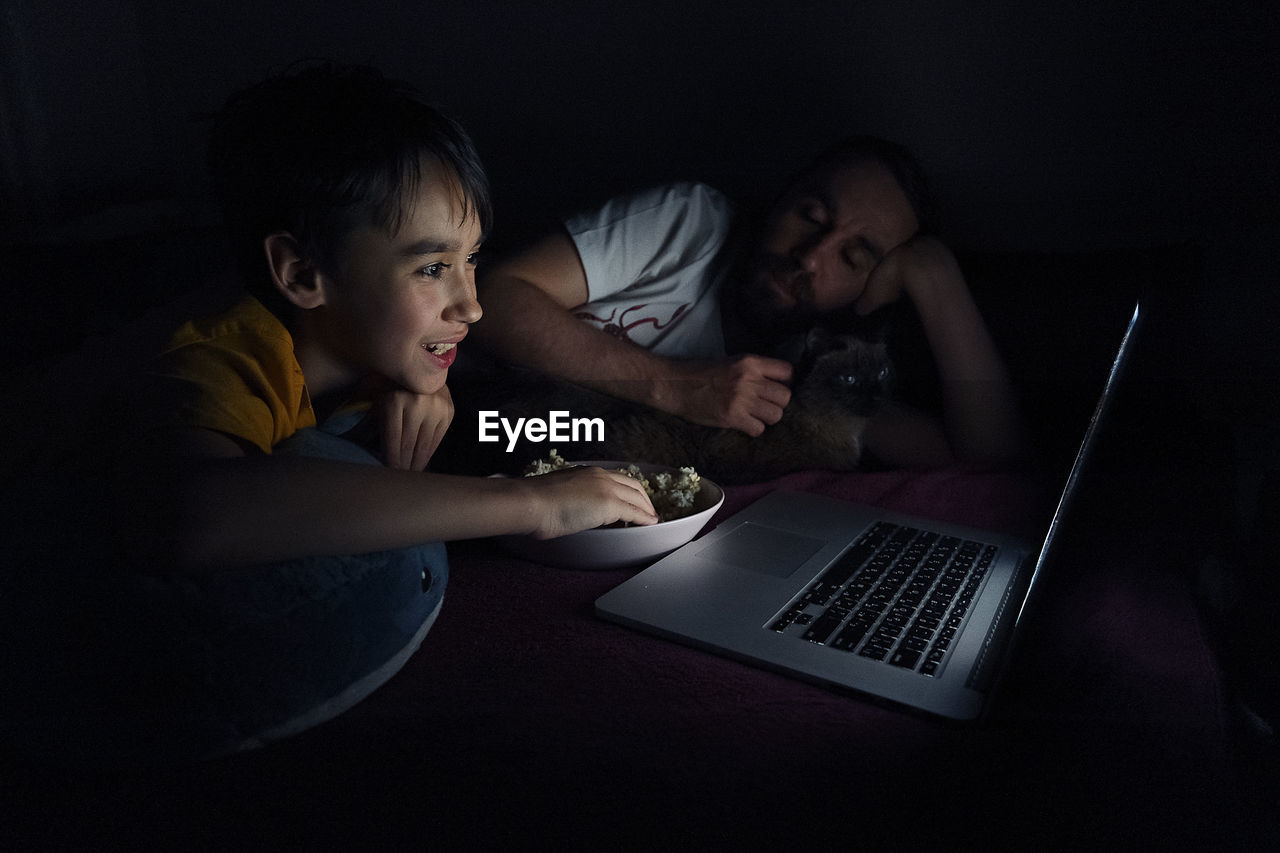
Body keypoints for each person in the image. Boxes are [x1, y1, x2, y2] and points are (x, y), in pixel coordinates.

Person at [0, 62, 655, 766]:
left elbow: (483, 416)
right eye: (432, 268)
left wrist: (433, 386)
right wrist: (531, 502)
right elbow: (189, 513)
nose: (471, 304)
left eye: (471, 262)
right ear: (303, 275)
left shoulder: (368, 349)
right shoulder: (223, 358)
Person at [469, 137, 1030, 470]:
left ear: (866, 289)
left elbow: (987, 462)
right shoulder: (691, 223)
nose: (811, 259)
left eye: (852, 259)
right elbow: (494, 296)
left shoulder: (815, 370)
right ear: (779, 198)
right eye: (811, 217)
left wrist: (938, 278)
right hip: (471, 416)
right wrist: (676, 384)